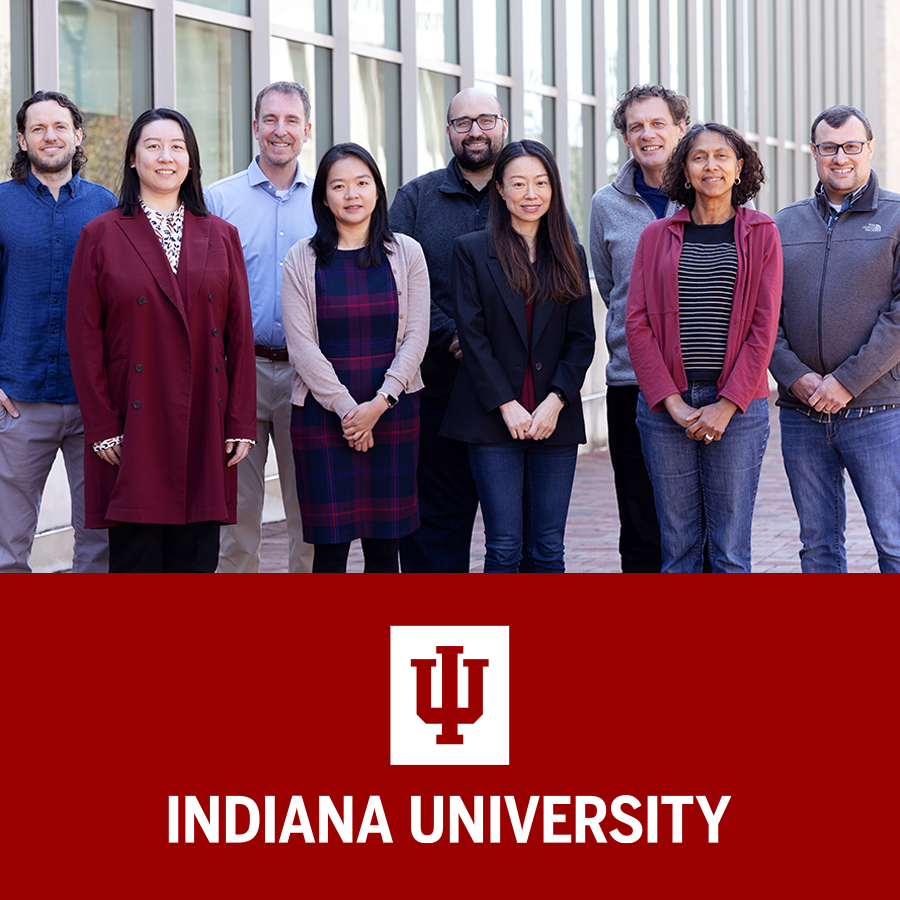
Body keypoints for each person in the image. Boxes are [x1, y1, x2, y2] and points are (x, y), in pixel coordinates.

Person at [66, 108, 256, 573]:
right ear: (133, 159)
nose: (165, 157)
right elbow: (83, 336)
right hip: (134, 419)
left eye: (177, 146)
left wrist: (240, 422)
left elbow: (239, 333)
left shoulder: (221, 234)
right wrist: (102, 424)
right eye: (152, 146)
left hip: (206, 418)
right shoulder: (102, 234)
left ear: (191, 160)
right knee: (137, 561)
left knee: (196, 560)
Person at [625, 123, 781, 573]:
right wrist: (670, 401)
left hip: (738, 408)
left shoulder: (762, 232)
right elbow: (636, 323)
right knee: (678, 548)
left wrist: (727, 405)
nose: (710, 165)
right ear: (685, 170)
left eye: (722, 156)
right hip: (666, 410)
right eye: (699, 157)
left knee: (730, 550)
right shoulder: (655, 236)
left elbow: (763, 327)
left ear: (739, 169)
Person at [440, 140, 595, 572]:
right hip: (491, 416)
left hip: (554, 416)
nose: (531, 194)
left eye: (541, 183)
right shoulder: (471, 250)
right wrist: (507, 405)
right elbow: (472, 337)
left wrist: (555, 402)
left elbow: (581, 339)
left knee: (548, 548)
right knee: (504, 547)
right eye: (519, 183)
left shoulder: (570, 254)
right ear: (500, 191)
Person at [281, 143, 429, 573]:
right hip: (323, 417)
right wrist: (350, 412)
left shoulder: (406, 252)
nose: (352, 194)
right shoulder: (301, 258)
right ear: (323, 197)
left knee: (386, 549)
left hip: (394, 412)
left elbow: (417, 335)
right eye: (339, 185)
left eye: (362, 183)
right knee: (329, 552)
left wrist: (379, 404)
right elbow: (302, 346)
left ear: (378, 192)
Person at [769, 105, 900, 572]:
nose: (840, 157)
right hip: (802, 416)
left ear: (868, 149)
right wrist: (793, 376)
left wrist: (846, 381)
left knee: (894, 542)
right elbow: (765, 316)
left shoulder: (896, 217)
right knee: (818, 548)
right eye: (829, 147)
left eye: (851, 146)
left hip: (880, 412)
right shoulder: (784, 225)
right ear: (814, 152)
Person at [390, 87, 508, 573]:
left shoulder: (531, 191)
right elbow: (393, 281)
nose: (474, 131)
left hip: (515, 393)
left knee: (514, 533)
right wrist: (452, 336)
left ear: (503, 125)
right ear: (448, 132)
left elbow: (559, 282)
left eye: (485, 120)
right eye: (463, 123)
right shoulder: (416, 199)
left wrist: (490, 346)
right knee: (434, 528)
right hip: (436, 389)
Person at [0, 91, 117, 573]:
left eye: (60, 127)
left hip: (94, 402)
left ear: (78, 136)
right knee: (7, 544)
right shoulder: (1, 204)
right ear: (23, 140)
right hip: (19, 399)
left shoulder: (106, 207)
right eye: (39, 129)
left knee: (100, 542)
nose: (51, 136)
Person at [205, 81, 316, 574]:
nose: (280, 130)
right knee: (236, 519)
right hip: (238, 375)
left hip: (306, 377)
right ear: (255, 128)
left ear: (307, 131)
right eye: (270, 120)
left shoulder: (327, 201)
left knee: (310, 518)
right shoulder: (218, 200)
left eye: (291, 121)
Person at [589, 84, 689, 572]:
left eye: (658, 123)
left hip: (700, 382)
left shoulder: (714, 193)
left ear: (680, 129)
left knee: (703, 519)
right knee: (641, 519)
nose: (647, 134)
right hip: (632, 383)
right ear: (626, 138)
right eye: (636, 127)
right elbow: (614, 291)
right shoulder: (604, 205)